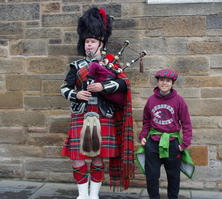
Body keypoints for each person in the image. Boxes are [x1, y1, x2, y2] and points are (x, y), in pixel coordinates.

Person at [60, 7, 135, 199]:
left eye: (92, 42)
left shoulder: (111, 64)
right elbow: (64, 88)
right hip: (81, 114)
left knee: (98, 159)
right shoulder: (76, 66)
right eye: (87, 42)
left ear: (101, 43)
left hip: (103, 114)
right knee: (77, 159)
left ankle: (93, 196)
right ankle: (82, 195)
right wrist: (76, 95)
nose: (89, 45)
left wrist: (104, 87)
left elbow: (123, 84)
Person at [139, 69, 193, 199]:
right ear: (157, 82)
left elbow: (186, 123)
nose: (164, 83)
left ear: (172, 83)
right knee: (151, 176)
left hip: (172, 142)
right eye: (162, 80)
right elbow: (146, 121)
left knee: (173, 176)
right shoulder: (151, 100)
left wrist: (184, 144)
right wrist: (143, 136)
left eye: (168, 81)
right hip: (153, 143)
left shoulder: (179, 101)